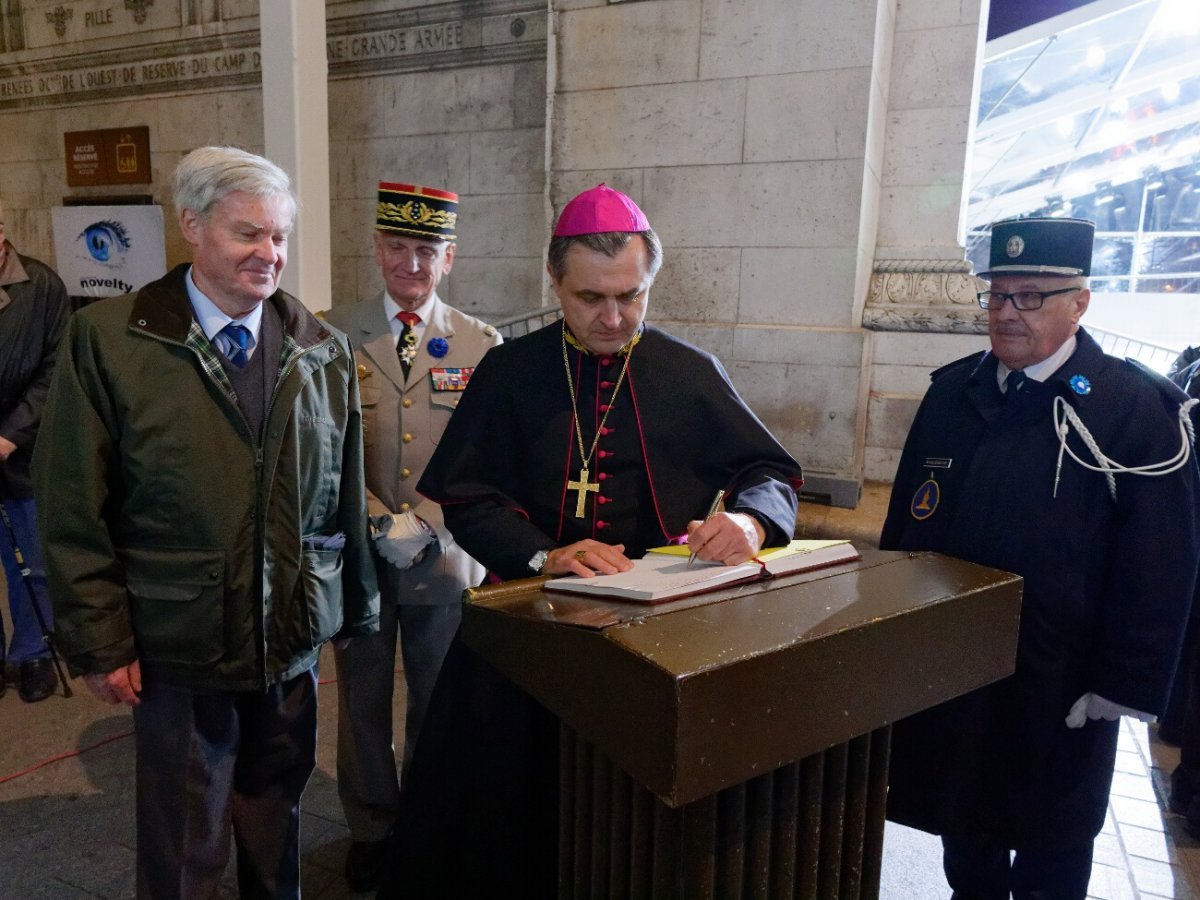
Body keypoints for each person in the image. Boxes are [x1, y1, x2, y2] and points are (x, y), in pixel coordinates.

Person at [380, 183, 804, 897]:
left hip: (657, 634)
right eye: (589, 299)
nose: (613, 318)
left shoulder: (687, 371)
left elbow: (769, 469)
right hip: (528, 621)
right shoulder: (513, 371)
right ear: (555, 281)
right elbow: (468, 495)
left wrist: (751, 521)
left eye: (630, 296)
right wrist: (545, 552)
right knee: (500, 815)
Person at [32, 146, 380, 899]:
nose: (271, 255)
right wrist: (99, 639)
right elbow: (71, 503)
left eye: (280, 237)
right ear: (192, 225)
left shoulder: (319, 350)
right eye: (248, 234)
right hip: (177, 641)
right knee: (185, 833)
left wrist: (353, 605)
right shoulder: (113, 341)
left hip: (287, 641)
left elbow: (342, 495)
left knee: (275, 819)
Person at [880, 216, 1200, 899]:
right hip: (961, 665)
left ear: (1079, 302)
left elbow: (1162, 563)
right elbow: (907, 525)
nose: (1006, 313)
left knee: (1053, 845)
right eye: (997, 295)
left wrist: (1125, 684)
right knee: (963, 824)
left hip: (1064, 682)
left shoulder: (1131, 410)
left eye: (1030, 297)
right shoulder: (952, 394)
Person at [323, 182, 500, 892]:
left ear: (448, 257)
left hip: (445, 555)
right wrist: (373, 518)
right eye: (398, 246)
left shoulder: (481, 344)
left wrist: (427, 519)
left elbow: (487, 455)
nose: (411, 262)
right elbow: (326, 446)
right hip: (362, 558)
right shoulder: (332, 332)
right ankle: (370, 826)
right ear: (377, 249)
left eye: (426, 249)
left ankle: (427, 821)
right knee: (361, 698)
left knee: (439, 696)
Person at [0, 198, 70, 702]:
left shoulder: (42, 287)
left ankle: (34, 654)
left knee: (33, 559)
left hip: (25, 450)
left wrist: (8, 436)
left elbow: (55, 371)